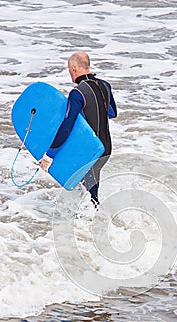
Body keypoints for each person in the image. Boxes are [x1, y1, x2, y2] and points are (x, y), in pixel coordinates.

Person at [39, 51, 117, 206]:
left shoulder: (78, 92)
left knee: (88, 195)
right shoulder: (105, 86)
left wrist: (49, 155)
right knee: (89, 190)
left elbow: (67, 125)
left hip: (88, 150)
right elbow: (112, 112)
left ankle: (95, 220)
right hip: (106, 149)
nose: (70, 75)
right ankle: (95, 218)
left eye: (70, 71)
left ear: (74, 69)